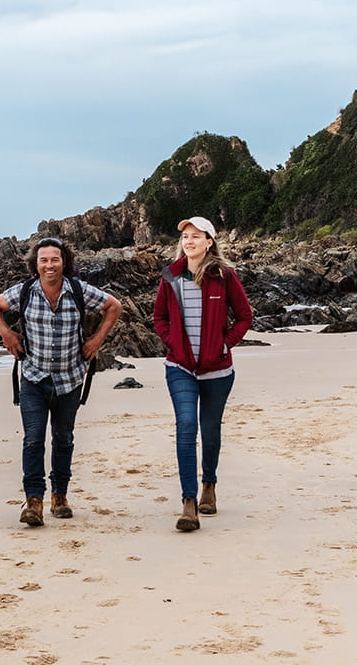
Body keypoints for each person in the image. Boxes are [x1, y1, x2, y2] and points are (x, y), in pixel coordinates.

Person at [0, 237, 123, 528]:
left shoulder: (78, 290)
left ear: (64, 262)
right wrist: (7, 335)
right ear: (36, 264)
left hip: (70, 379)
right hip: (34, 378)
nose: (49, 265)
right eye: (44, 260)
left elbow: (114, 306)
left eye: (55, 259)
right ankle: (33, 501)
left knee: (63, 439)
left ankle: (60, 496)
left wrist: (97, 340)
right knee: (33, 440)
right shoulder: (24, 291)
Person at [150, 217, 253, 532]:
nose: (189, 241)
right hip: (179, 367)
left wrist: (224, 344)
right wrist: (173, 343)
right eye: (185, 237)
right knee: (185, 427)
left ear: (209, 242)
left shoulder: (225, 277)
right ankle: (189, 502)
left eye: (196, 236)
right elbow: (159, 317)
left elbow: (245, 316)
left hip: (218, 371)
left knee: (209, 431)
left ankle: (209, 483)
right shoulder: (170, 277)